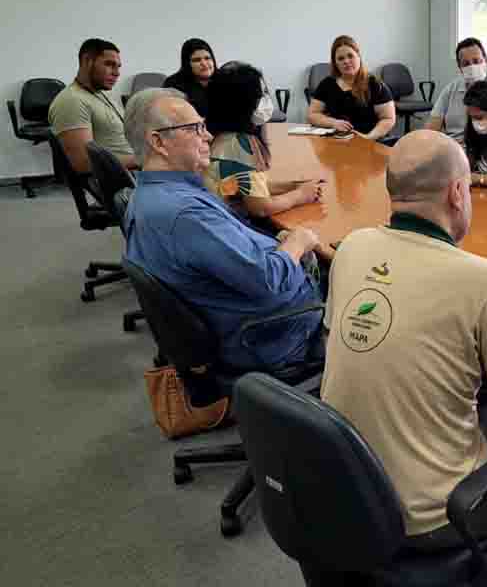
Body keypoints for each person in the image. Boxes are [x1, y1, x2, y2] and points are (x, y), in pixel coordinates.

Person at [320, 130, 487, 551]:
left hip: (344, 490)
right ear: (459, 193)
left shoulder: (351, 247)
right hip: (430, 517)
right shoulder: (486, 281)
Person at [123, 88, 331, 371]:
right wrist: (297, 241)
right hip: (274, 334)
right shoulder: (187, 215)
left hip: (233, 313)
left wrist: (279, 245)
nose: (207, 136)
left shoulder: (150, 194)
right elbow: (267, 281)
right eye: (195, 128)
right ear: (159, 142)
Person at [204, 61, 322, 220]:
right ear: (240, 103)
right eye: (261, 95)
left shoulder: (224, 137)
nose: (267, 100)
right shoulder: (240, 146)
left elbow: (252, 188)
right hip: (236, 224)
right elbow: (260, 208)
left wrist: (294, 186)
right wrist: (300, 195)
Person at [49, 38, 136, 174]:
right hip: (126, 183)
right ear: (87, 61)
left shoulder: (101, 93)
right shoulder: (72, 101)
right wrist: (143, 160)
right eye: (109, 64)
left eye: (118, 67)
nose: (116, 73)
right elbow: (84, 163)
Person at [307, 35, 396, 140]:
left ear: (358, 56)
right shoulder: (327, 84)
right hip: (336, 142)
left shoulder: (375, 84)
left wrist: (368, 137)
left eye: (350, 56)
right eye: (341, 58)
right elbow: (312, 114)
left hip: (369, 142)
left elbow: (388, 119)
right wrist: (333, 123)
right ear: (335, 63)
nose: (346, 61)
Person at [426, 37, 487, 143]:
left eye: (476, 61)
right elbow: (432, 127)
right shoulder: (451, 89)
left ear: (486, 61)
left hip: (483, 148)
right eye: (466, 64)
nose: (472, 67)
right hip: (451, 147)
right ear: (460, 68)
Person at [162, 38, 217, 117]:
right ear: (187, 64)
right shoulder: (174, 85)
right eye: (197, 60)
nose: (204, 63)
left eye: (207, 58)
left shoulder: (225, 79)